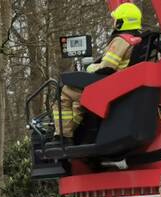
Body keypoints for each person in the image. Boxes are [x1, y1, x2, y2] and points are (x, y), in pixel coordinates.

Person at [54, 2, 143, 139]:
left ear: (120, 22)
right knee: (78, 101)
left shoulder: (121, 41)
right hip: (121, 87)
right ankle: (74, 132)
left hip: (109, 88)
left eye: (115, 19)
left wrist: (90, 67)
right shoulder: (137, 40)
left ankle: (63, 136)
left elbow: (107, 67)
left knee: (65, 92)